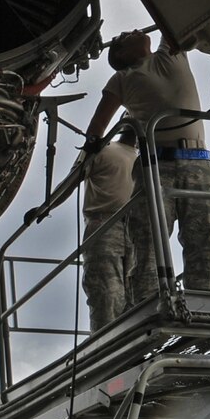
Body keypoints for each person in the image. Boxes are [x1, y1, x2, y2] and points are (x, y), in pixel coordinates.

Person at [84, 28, 210, 299]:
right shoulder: (122, 78)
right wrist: (94, 145)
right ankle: (148, 302)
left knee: (202, 238)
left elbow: (169, 19)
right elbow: (97, 127)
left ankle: (205, 299)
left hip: (198, 162)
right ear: (121, 54)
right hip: (157, 166)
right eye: (122, 37)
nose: (131, 30)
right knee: (148, 242)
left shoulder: (170, 52)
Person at [68, 122, 137, 332]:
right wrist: (46, 206)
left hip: (137, 229)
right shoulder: (103, 149)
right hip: (105, 224)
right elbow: (71, 181)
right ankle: (105, 348)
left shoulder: (145, 157)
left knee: (139, 297)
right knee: (107, 296)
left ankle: (135, 349)